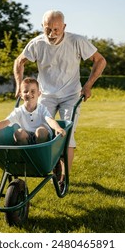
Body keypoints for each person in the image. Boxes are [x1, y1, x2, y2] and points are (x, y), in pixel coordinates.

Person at [13, 10, 107, 183]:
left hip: (71, 95)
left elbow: (100, 60)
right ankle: (45, 165)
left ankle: (63, 178)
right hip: (46, 95)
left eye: (56, 29)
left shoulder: (77, 41)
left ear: (64, 27)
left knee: (67, 134)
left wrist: (88, 86)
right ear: (42, 27)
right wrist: (19, 84)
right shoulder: (37, 43)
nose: (52, 34)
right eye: (48, 29)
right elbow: (19, 61)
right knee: (41, 131)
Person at [0, 77, 66, 145]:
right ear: (21, 95)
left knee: (40, 131)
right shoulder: (19, 111)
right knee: (19, 133)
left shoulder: (42, 109)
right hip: (27, 136)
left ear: (39, 94)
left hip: (43, 136)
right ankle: (27, 154)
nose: (29, 93)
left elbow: (50, 120)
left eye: (33, 91)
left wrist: (57, 128)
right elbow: (5, 122)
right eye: (25, 91)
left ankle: (39, 153)